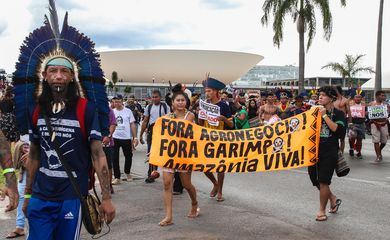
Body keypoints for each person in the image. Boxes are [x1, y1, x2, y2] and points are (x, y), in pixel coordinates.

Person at [11, 2, 115, 238]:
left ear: (71, 77)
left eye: (64, 71)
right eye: (53, 70)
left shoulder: (85, 110)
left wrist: (106, 198)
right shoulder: (36, 110)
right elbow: (35, 154)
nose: (58, 75)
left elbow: (98, 154)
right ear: (45, 76)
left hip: (72, 199)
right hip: (39, 199)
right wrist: (27, 197)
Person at [159, 91, 199, 226]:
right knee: (167, 184)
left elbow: (184, 130)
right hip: (169, 155)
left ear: (186, 102)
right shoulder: (166, 117)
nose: (180, 102)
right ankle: (168, 216)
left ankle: (194, 203)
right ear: (173, 103)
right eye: (178, 100)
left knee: (186, 184)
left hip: (184, 155)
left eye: (183, 100)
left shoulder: (190, 116)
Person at [308, 86, 345, 222]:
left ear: (331, 98)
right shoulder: (312, 111)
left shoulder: (339, 114)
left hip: (329, 151)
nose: (320, 97)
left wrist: (324, 115)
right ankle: (332, 198)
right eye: (319, 95)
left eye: (323, 95)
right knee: (315, 180)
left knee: (323, 181)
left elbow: (339, 131)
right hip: (313, 151)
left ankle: (321, 211)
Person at [198, 77, 233, 201]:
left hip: (220, 139)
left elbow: (231, 125)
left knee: (220, 166)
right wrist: (200, 116)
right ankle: (215, 183)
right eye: (206, 91)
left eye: (209, 91)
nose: (207, 94)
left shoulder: (224, 106)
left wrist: (223, 119)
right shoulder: (204, 105)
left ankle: (220, 191)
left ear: (216, 92)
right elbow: (200, 125)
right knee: (204, 166)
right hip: (207, 140)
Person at [140, 90, 170, 183]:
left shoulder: (165, 107)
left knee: (165, 153)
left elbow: (169, 120)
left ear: (160, 97)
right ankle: (151, 174)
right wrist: (140, 135)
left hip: (164, 131)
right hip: (152, 131)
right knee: (151, 153)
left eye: (156, 97)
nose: (154, 98)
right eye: (152, 97)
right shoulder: (149, 107)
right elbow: (145, 121)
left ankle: (168, 174)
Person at [5, 139, 29, 239]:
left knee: (37, 197)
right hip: (24, 147)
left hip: (39, 151)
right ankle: (20, 227)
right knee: (21, 196)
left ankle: (34, 229)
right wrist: (21, 144)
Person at [112, 95, 138, 184]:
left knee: (128, 156)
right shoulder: (112, 112)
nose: (116, 103)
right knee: (114, 158)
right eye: (115, 102)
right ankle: (117, 177)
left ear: (122, 101)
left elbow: (132, 124)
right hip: (114, 137)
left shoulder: (128, 111)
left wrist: (135, 137)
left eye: (118, 101)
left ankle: (127, 172)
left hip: (126, 137)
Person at [368, 90, 390, 163]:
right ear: (377, 96)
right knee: (376, 140)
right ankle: (378, 156)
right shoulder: (372, 104)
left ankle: (379, 150)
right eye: (382, 95)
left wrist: (388, 110)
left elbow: (388, 113)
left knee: (384, 141)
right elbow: (367, 113)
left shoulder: (386, 104)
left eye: (384, 96)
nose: (383, 97)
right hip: (374, 123)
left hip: (384, 123)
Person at [334, 86, 352, 154]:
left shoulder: (345, 100)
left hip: (342, 121)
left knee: (342, 139)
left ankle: (341, 153)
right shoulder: (332, 99)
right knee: (334, 138)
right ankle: (335, 152)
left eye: (334, 90)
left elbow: (349, 111)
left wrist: (350, 123)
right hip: (333, 120)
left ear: (338, 91)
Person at [102, 107, 117, 193]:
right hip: (93, 141)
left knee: (107, 166)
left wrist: (108, 136)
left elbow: (113, 123)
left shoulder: (108, 109)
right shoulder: (89, 107)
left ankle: (109, 185)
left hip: (106, 142)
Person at [348, 93, 366, 159]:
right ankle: (351, 148)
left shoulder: (364, 106)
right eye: (356, 97)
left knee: (360, 139)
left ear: (361, 98)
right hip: (353, 123)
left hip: (361, 123)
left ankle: (359, 151)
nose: (358, 98)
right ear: (354, 98)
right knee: (352, 138)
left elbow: (367, 113)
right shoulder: (350, 105)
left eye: (359, 97)